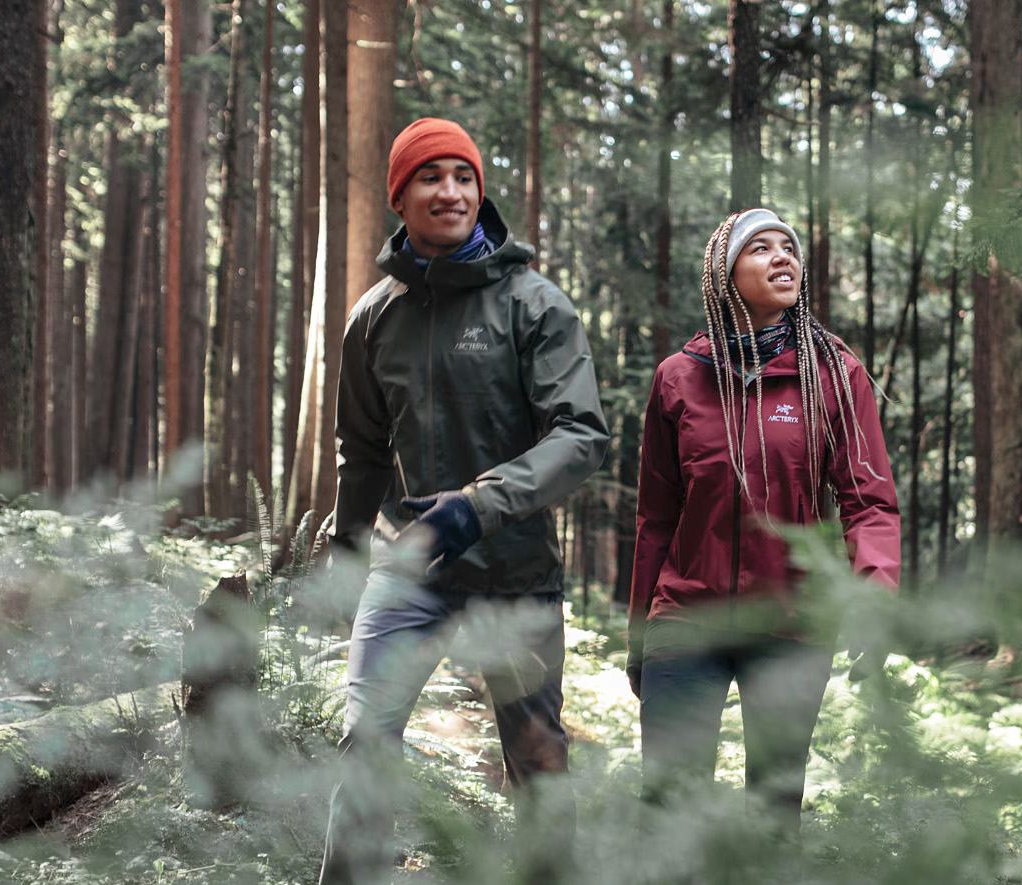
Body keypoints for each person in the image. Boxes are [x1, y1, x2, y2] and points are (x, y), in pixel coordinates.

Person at [321, 117, 609, 884]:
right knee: (364, 739)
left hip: (513, 572)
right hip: (407, 569)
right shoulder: (372, 318)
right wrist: (347, 550)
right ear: (400, 194)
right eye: (429, 176)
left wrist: (478, 504)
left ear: (480, 194)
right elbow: (363, 449)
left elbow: (580, 436)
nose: (449, 190)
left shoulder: (533, 303)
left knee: (539, 762)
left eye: (463, 177)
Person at [628, 208, 901, 834]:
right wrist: (640, 635)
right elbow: (656, 518)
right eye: (760, 248)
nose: (783, 257)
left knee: (774, 814)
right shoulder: (679, 378)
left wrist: (873, 593)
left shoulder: (833, 374)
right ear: (724, 275)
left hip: (790, 624)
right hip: (685, 617)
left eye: (789, 248)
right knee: (668, 809)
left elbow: (869, 501)